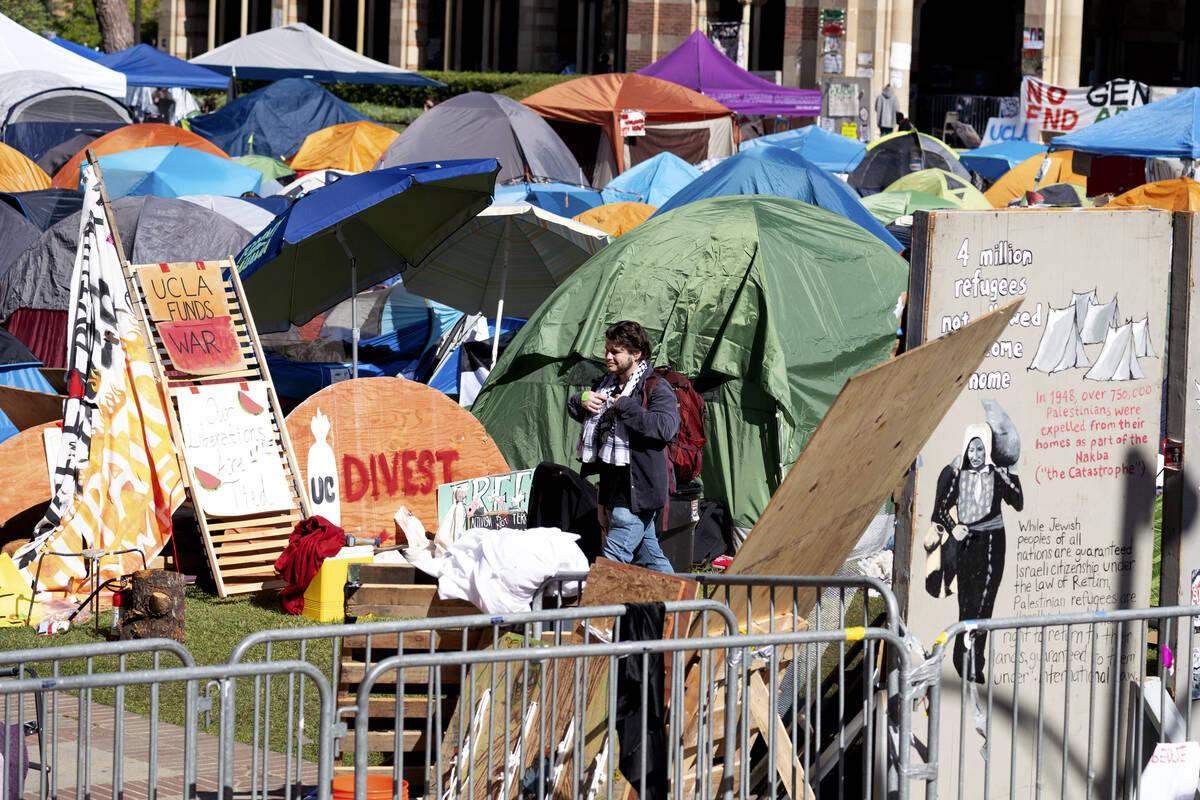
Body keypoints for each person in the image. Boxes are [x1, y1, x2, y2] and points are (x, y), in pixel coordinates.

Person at [567, 321, 679, 573]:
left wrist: (626, 407)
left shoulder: (656, 387)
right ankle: (682, 610)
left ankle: (596, 613)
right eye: (607, 349)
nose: (608, 356)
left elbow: (664, 428)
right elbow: (584, 416)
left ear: (636, 354)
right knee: (649, 556)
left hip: (640, 491)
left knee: (612, 560)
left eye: (615, 351)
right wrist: (580, 399)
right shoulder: (605, 384)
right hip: (612, 486)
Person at [930, 423, 1023, 683]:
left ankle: (975, 664)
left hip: (993, 542)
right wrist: (954, 526)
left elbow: (1018, 502)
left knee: (985, 604)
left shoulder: (996, 475)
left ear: (988, 449)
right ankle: (963, 660)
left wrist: (1012, 473)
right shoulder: (958, 475)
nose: (975, 455)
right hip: (968, 542)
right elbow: (939, 510)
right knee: (968, 605)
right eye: (971, 449)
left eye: (980, 448)